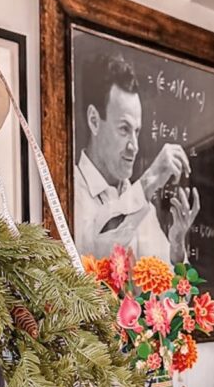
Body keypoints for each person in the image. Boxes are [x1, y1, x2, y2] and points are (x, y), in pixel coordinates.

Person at [74, 52, 200, 261]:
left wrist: (177, 246)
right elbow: (95, 249)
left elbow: (170, 288)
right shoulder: (68, 190)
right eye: (124, 129)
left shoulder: (144, 209)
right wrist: (150, 181)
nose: (135, 146)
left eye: (137, 131)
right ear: (94, 121)